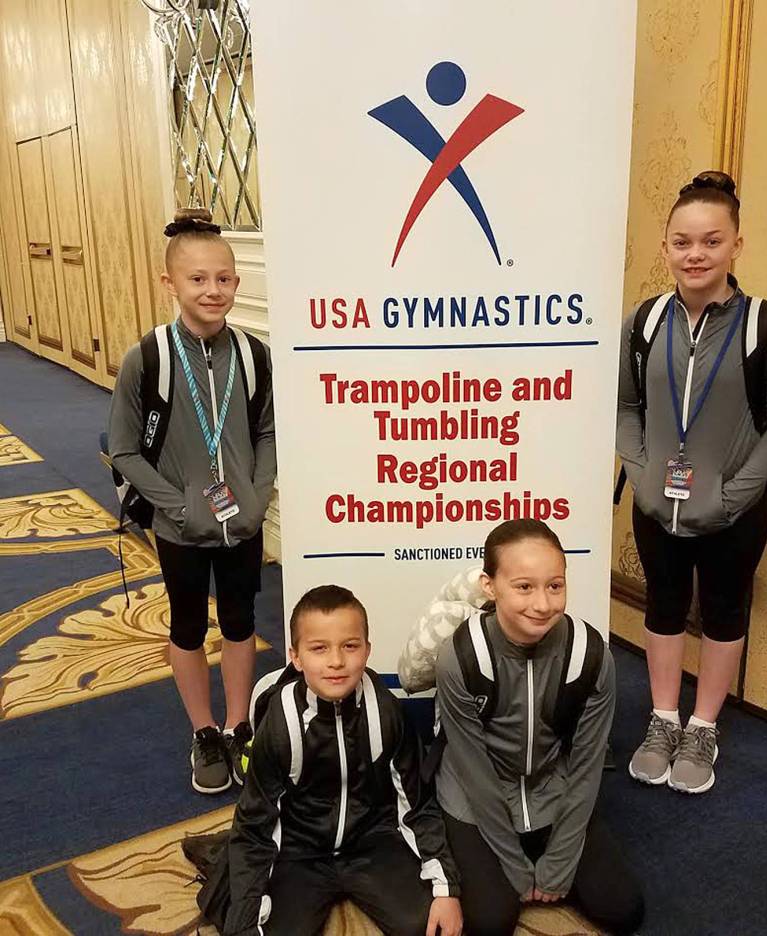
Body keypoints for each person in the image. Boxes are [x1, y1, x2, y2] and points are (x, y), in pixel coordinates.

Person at [617, 170, 767, 794]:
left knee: (724, 612)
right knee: (664, 606)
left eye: (711, 241)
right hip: (657, 504)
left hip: (732, 512)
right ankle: (662, 718)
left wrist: (733, 495)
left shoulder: (766, 327)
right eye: (682, 242)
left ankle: (702, 726)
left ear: (735, 245)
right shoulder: (644, 323)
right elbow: (624, 408)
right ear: (665, 247)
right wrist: (643, 476)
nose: (695, 254)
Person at [108, 208, 275, 794]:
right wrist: (177, 505)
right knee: (186, 626)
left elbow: (267, 432)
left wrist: (257, 497)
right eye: (198, 278)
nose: (213, 290)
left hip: (241, 522)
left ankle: (237, 724)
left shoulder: (253, 355)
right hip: (179, 528)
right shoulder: (147, 359)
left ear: (237, 281)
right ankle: (203, 730)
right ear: (170, 283)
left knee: (240, 621)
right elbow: (123, 450)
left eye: (224, 278)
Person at [435, 519, 644, 936]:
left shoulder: (591, 656)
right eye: (524, 587)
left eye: (555, 586)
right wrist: (515, 865)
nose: (543, 604)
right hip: (476, 798)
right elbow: (473, 771)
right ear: (490, 586)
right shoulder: (460, 657)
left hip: (553, 789)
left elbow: (587, 765)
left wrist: (558, 863)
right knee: (491, 920)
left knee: (623, 909)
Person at [215, 585, 462, 936]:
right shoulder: (280, 724)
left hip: (372, 842)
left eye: (350, 646)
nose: (336, 661)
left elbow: (417, 805)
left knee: (430, 925)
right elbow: (255, 823)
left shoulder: (386, 711)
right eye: (319, 648)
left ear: (367, 650)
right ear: (296, 657)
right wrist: (244, 916)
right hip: (299, 850)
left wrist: (445, 888)